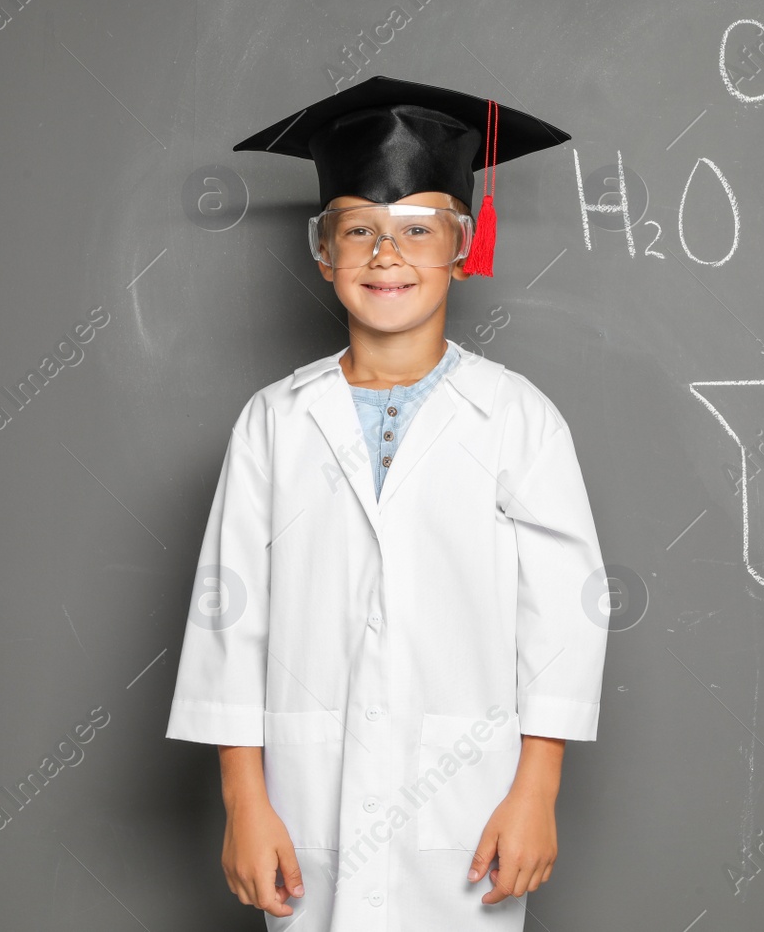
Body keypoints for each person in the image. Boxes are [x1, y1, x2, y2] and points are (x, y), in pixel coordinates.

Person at [166, 75, 608, 931]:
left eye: (417, 230)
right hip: (306, 801)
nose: (386, 254)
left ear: (464, 243)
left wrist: (538, 788)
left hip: (466, 804)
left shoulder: (518, 419)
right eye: (358, 229)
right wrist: (243, 801)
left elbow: (565, 616)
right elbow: (230, 616)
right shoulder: (274, 421)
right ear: (321, 249)